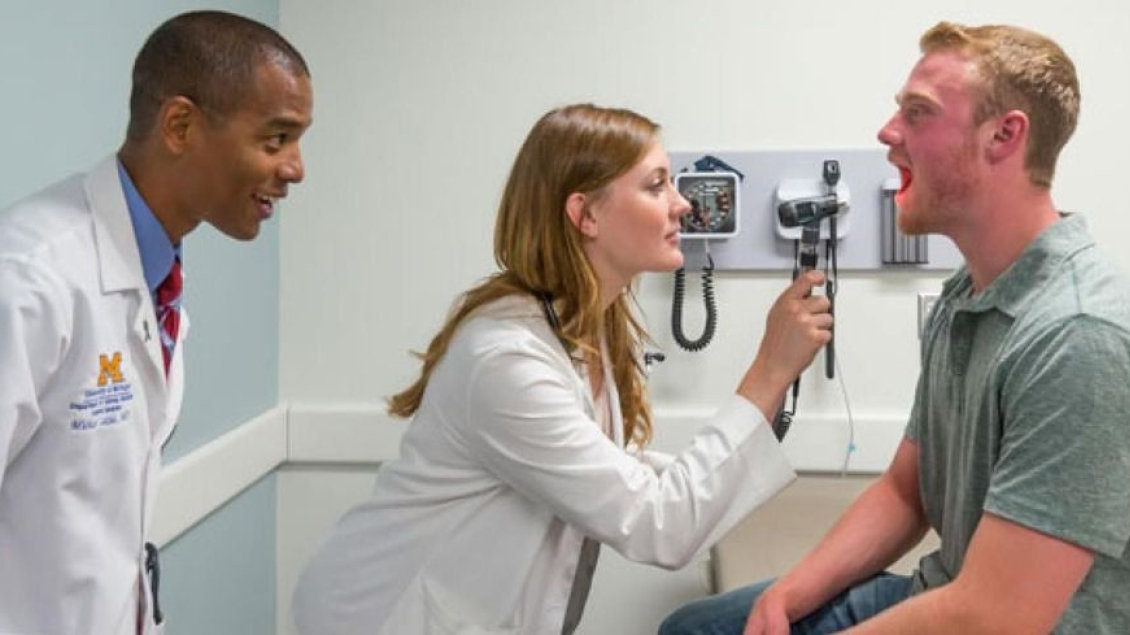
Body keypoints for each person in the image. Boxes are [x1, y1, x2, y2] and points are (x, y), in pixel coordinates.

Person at [660, 21, 1130, 635]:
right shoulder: (969, 292)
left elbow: (996, 618)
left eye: (918, 113)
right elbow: (906, 492)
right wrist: (785, 596)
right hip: (949, 590)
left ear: (1003, 136)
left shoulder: (1077, 335)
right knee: (697, 629)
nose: (887, 133)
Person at [291, 103, 833, 635]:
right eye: (656, 185)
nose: (682, 205)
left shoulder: (584, 325)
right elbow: (657, 527)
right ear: (585, 214)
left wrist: (728, 478)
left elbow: (606, 466)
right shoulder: (506, 358)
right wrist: (770, 370)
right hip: (384, 616)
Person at [0, 11, 312, 635]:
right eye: (276, 139)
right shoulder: (28, 279)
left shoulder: (155, 276)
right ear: (179, 125)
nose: (296, 168)